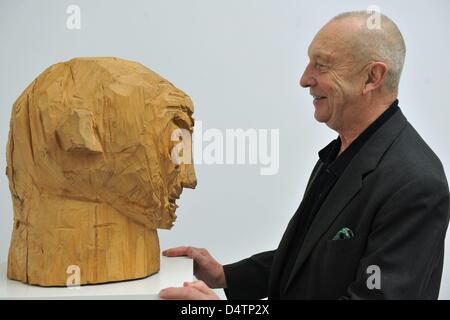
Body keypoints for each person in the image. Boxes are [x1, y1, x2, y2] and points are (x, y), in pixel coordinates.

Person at [159, 11, 450, 300]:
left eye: (321, 65)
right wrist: (225, 276)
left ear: (372, 77)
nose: (304, 79)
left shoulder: (415, 183)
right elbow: (307, 258)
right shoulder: (342, 152)